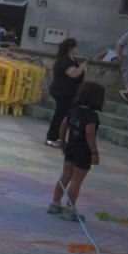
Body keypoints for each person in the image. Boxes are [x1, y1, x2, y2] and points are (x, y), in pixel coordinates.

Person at [47, 81, 105, 221]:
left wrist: (62, 141)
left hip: (71, 147)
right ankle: (70, 210)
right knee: (76, 180)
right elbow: (89, 132)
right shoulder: (91, 115)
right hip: (83, 150)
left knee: (65, 176)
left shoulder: (73, 109)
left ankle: (55, 204)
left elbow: (63, 125)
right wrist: (94, 153)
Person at [45, 38, 90, 146]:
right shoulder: (65, 60)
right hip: (63, 92)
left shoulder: (72, 59)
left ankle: (60, 138)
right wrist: (82, 67)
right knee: (60, 115)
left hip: (70, 92)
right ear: (71, 48)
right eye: (76, 47)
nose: (77, 49)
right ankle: (52, 137)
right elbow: (73, 74)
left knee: (66, 115)